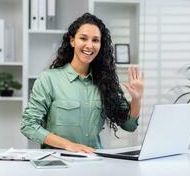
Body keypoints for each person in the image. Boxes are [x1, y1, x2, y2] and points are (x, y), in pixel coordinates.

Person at [21, 13, 144, 153]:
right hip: (58, 162)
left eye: (95, 40)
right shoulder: (49, 79)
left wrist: (136, 99)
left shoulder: (105, 83)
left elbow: (129, 125)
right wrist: (68, 145)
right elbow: (28, 125)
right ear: (72, 40)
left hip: (94, 162)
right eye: (83, 38)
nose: (89, 45)